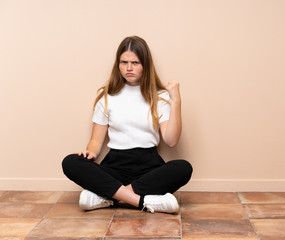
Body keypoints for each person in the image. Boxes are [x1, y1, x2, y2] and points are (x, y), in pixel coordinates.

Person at [62, 36, 193, 214]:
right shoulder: (106, 95)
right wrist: (90, 152)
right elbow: (96, 141)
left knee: (183, 168)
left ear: (145, 64)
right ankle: (143, 202)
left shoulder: (160, 96)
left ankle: (107, 198)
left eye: (135, 62)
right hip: (115, 166)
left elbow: (171, 141)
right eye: (124, 62)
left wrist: (176, 100)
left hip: (149, 167)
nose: (129, 68)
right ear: (118, 64)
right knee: (70, 162)